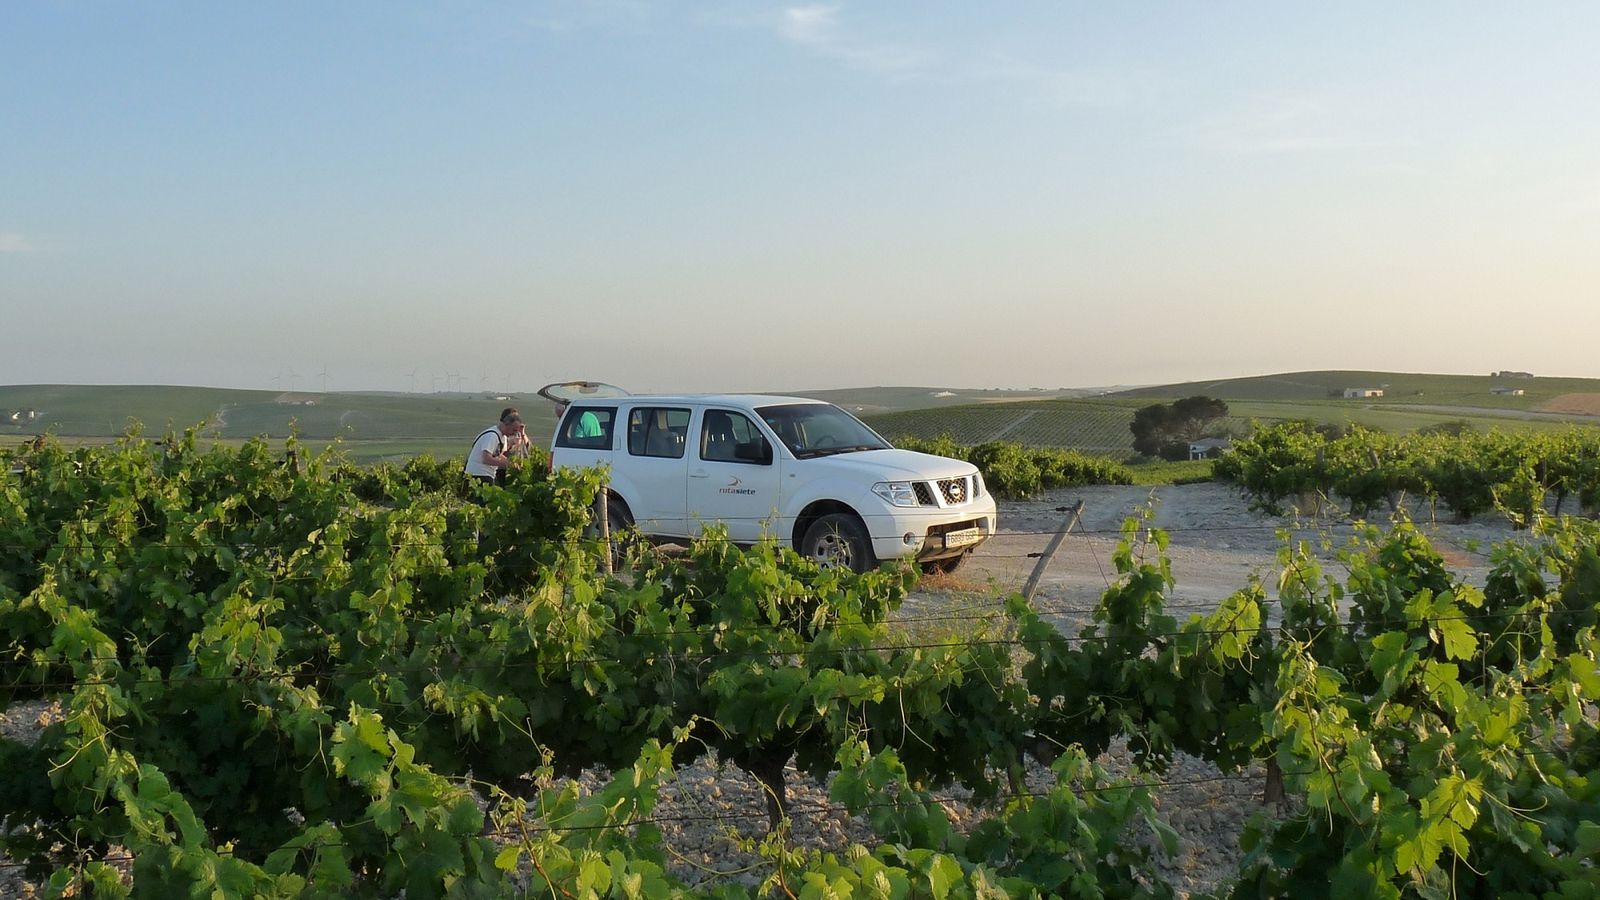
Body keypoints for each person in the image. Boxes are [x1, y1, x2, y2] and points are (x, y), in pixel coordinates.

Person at [465, 408, 522, 485]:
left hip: (487, 475)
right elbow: (486, 459)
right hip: (478, 475)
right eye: (514, 430)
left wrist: (513, 463)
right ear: (507, 424)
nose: (514, 434)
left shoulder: (503, 437)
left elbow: (498, 455)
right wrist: (507, 464)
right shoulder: (492, 436)